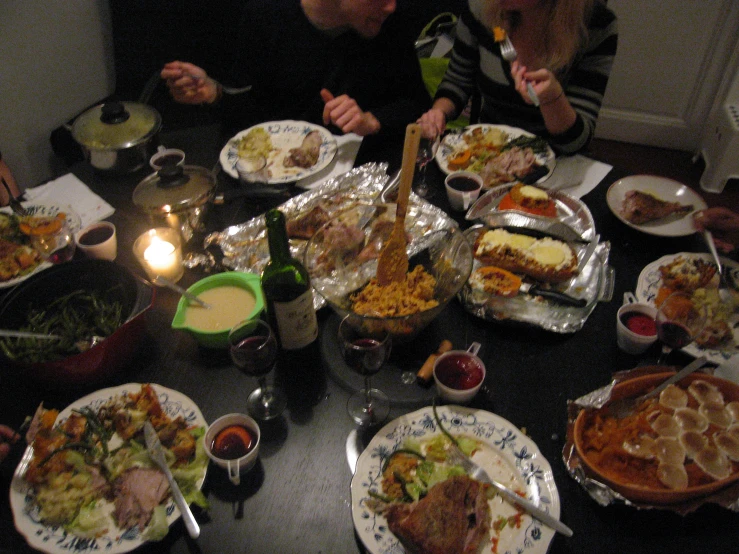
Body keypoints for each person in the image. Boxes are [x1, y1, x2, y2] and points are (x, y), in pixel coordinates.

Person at [161, 0, 430, 138]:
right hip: (285, 183)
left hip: (369, 173)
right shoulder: (267, 15)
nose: (391, 5)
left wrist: (372, 120)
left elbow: (417, 103)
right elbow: (253, 115)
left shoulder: (390, 19)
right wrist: (215, 93)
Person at [417, 0, 618, 154]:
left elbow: (575, 143)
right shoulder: (482, 9)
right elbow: (457, 80)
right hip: (487, 150)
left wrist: (551, 99)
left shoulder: (596, 25)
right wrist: (438, 113)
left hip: (558, 163)